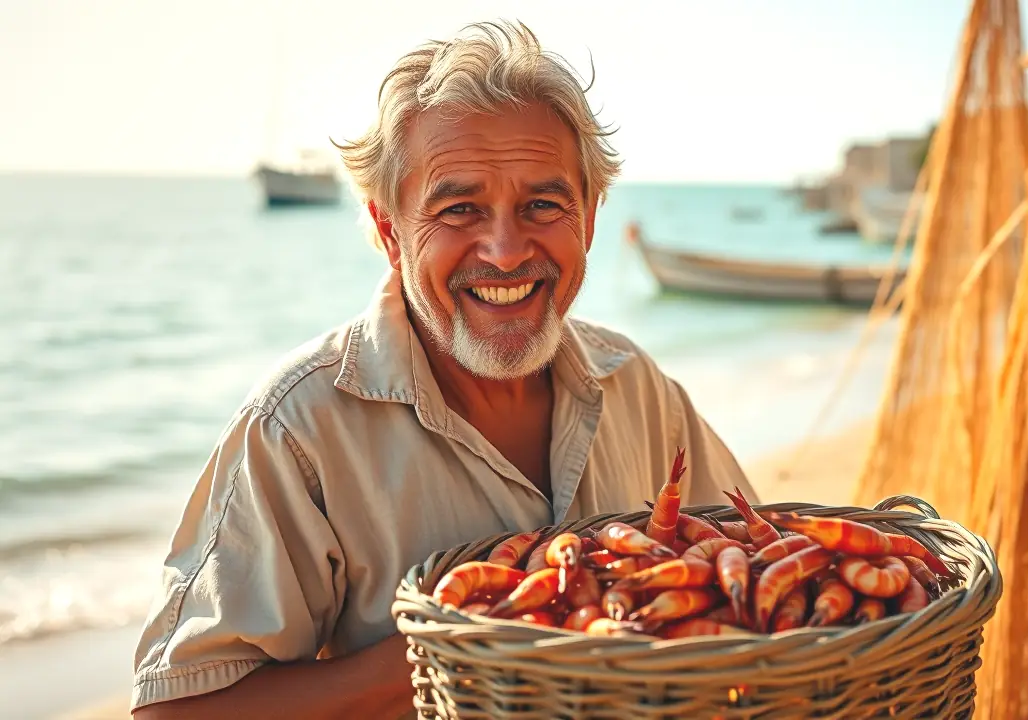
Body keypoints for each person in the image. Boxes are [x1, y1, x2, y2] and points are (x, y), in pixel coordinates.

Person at [130, 20, 758, 720]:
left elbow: (762, 572)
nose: (506, 251)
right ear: (390, 231)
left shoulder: (635, 386)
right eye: (459, 209)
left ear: (589, 217)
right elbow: (174, 710)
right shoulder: (299, 431)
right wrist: (461, 645)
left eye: (543, 205)